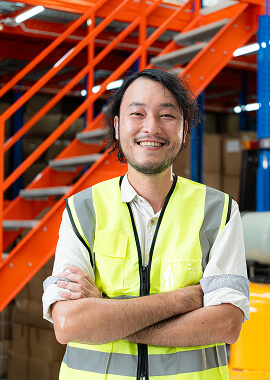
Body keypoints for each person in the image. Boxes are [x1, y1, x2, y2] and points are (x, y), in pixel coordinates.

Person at [42, 68, 250, 380]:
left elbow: (226, 324)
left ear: (183, 127)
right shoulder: (82, 211)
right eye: (137, 113)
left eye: (166, 115)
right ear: (117, 125)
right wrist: (183, 300)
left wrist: (107, 317)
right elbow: (69, 324)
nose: (151, 127)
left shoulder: (218, 212)